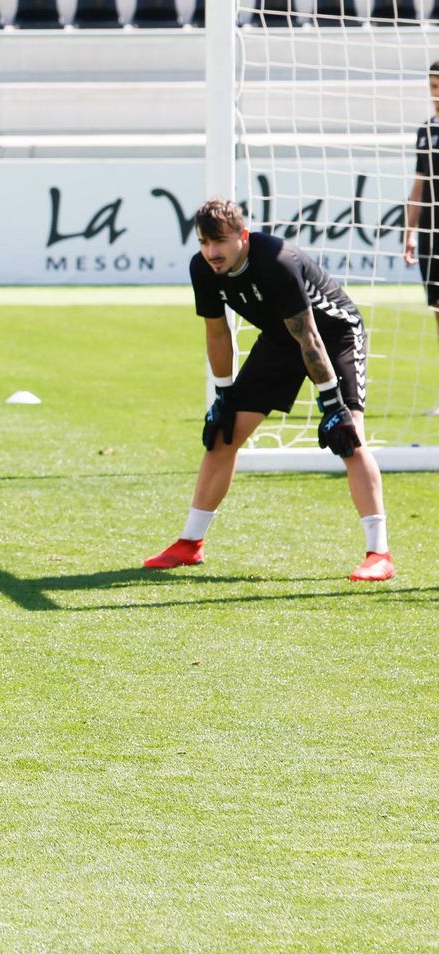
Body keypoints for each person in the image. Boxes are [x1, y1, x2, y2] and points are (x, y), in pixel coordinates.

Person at [145, 198, 392, 581]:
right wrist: (223, 396)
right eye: (204, 242)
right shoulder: (203, 268)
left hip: (333, 335)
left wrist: (332, 403)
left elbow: (309, 337)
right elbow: (217, 333)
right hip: (281, 339)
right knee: (224, 433)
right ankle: (190, 543)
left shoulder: (278, 262)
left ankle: (379, 553)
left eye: (220, 241)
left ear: (242, 236)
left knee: (349, 438)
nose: (211, 252)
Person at [403, 59, 439, 380]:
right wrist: (410, 231)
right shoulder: (426, 132)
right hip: (431, 231)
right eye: (433, 87)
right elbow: (419, 184)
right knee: (438, 307)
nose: (436, 95)